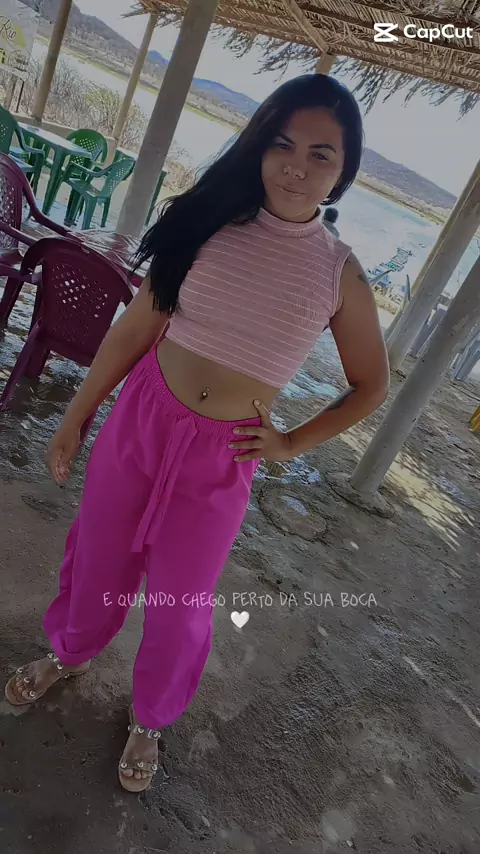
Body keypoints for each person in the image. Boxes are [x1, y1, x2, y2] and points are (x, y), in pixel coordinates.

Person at [4, 74, 389, 792]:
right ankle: (69, 652)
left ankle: (151, 718)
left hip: (222, 458)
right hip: (142, 420)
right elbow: (135, 329)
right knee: (98, 559)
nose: (296, 167)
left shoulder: (340, 274)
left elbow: (372, 384)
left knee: (181, 606)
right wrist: (77, 414)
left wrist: (291, 443)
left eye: (321, 154)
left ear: (345, 171)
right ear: (260, 146)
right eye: (282, 145)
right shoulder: (208, 224)